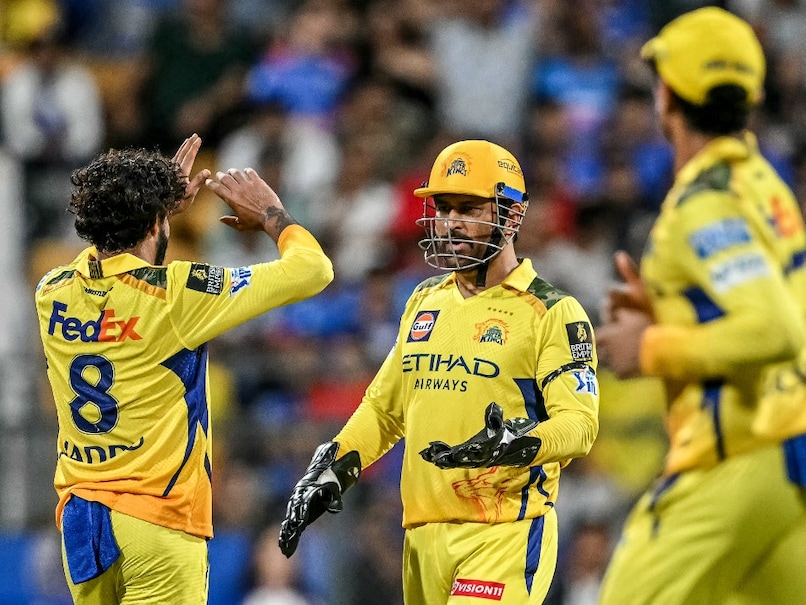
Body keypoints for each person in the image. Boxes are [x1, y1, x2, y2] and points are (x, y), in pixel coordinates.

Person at [279, 139, 600, 604]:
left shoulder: (552, 311)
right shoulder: (424, 299)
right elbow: (385, 409)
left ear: (512, 215)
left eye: (468, 208)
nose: (451, 222)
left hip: (502, 530)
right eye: (444, 208)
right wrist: (335, 465)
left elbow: (581, 425)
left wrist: (519, 442)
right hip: (421, 536)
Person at [34, 133, 333, 603]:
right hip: (158, 520)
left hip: (82, 522)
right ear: (157, 223)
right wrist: (271, 214)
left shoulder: (52, 290)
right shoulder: (176, 294)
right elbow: (313, 270)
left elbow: (108, 260)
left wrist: (151, 211)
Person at [595, 7, 806, 604]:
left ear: (666, 97)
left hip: (734, 461)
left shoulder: (704, 207)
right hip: (786, 462)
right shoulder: (763, 184)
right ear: (753, 95)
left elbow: (773, 329)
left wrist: (648, 346)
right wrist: (670, 311)